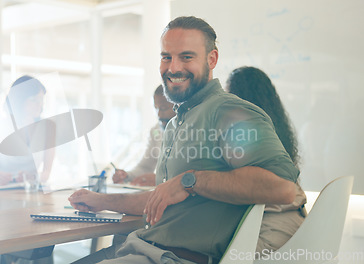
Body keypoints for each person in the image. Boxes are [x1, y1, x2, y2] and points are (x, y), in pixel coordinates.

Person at [68, 16, 299, 264]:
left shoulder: (230, 113)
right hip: (145, 248)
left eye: (186, 57)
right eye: (166, 56)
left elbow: (282, 188)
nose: (173, 67)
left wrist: (190, 180)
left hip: (173, 257)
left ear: (212, 59)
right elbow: (161, 197)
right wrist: (103, 201)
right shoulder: (178, 122)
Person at [225, 66, 307, 254]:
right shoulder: (276, 132)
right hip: (296, 230)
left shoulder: (245, 136)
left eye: (229, 96)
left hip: (266, 236)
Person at [0, 75, 55, 187]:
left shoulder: (47, 128)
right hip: (2, 193)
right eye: (34, 100)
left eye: (41, 99)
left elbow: (46, 174)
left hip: (31, 191)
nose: (40, 105)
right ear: (19, 100)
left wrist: (33, 177)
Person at [112, 84, 175, 186]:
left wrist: (159, 179)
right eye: (156, 108)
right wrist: (127, 175)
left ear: (178, 106)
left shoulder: (191, 130)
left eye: (163, 108)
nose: (159, 115)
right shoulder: (155, 131)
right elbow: (145, 167)